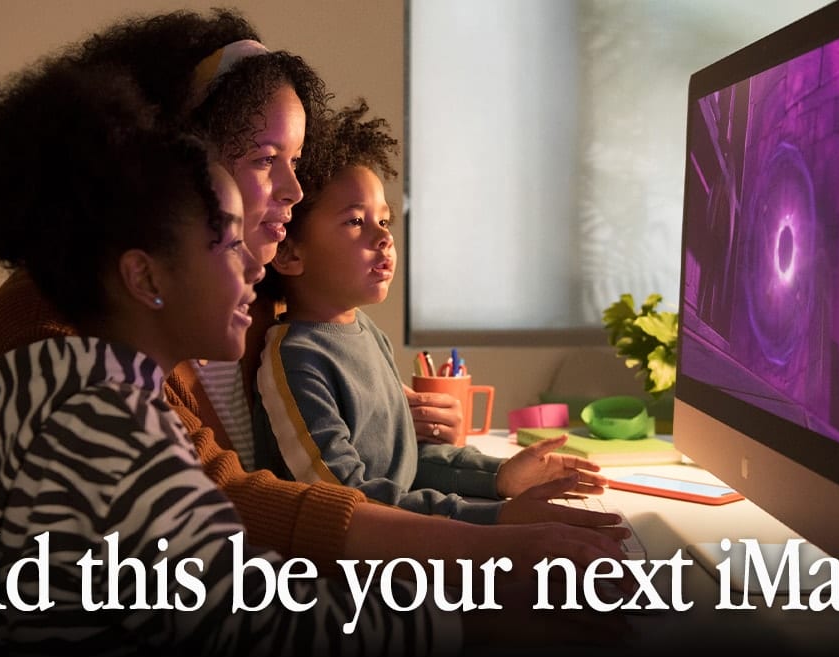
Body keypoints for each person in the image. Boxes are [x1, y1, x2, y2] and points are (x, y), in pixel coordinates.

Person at [0, 55, 629, 657]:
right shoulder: (107, 411)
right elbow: (258, 613)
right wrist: (481, 602)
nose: (258, 271)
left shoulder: (51, 387)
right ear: (147, 270)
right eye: (225, 237)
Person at [254, 102, 609, 525]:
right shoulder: (294, 358)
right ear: (290, 254)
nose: (383, 239)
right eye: (354, 222)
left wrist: (500, 476)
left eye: (384, 221)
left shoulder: (366, 333)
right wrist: (492, 518)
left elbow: (406, 465)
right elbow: (346, 499)